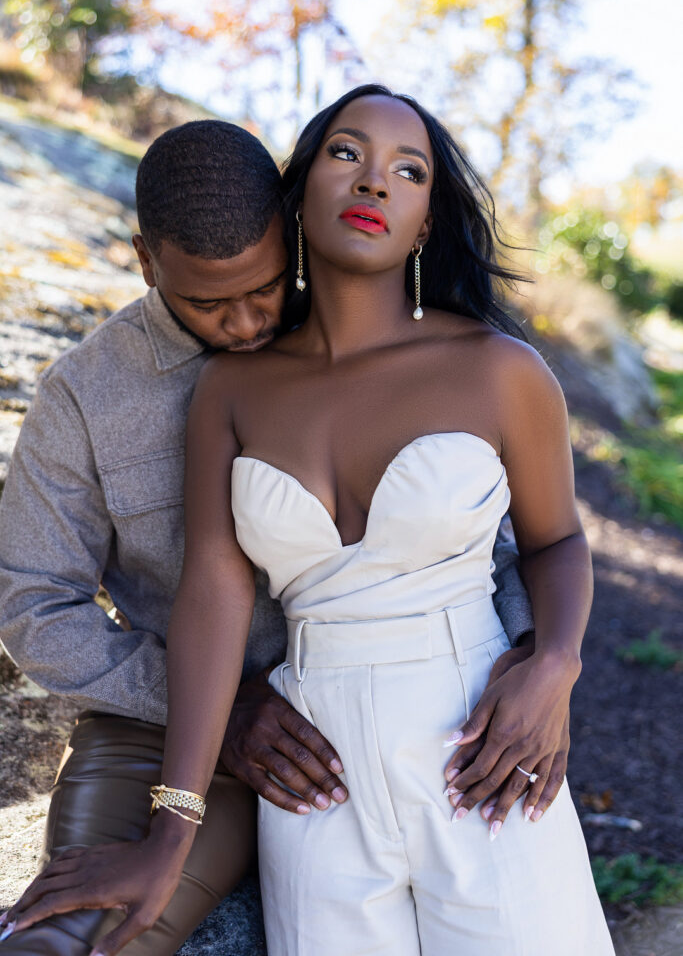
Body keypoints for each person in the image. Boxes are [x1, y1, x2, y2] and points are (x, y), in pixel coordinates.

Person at [0, 119, 567, 955]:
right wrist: (223, 711)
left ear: (289, 231)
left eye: (263, 288)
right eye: (204, 302)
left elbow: (501, 534)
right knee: (66, 940)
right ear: (144, 261)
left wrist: (537, 662)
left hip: (378, 707)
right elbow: (34, 608)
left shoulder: (387, 326)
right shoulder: (86, 395)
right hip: (167, 726)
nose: (243, 323)